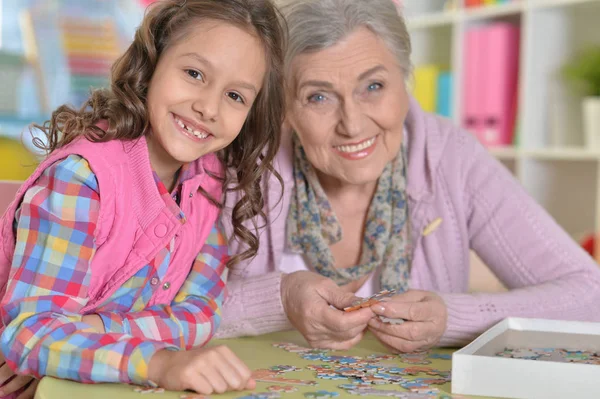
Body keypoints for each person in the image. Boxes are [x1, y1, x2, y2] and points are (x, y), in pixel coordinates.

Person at [217, 0, 600, 355]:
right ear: (285, 108)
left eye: (374, 87)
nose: (352, 124)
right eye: (319, 97)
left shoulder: (452, 158)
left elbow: (590, 295)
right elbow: (167, 309)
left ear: (405, 81)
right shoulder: (248, 163)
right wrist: (280, 299)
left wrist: (454, 318)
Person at [0, 0, 285, 398]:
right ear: (151, 65)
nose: (208, 107)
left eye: (235, 96)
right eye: (194, 73)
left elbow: (201, 315)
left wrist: (88, 330)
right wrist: (160, 362)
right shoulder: (81, 179)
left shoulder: (209, 183)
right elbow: (29, 337)